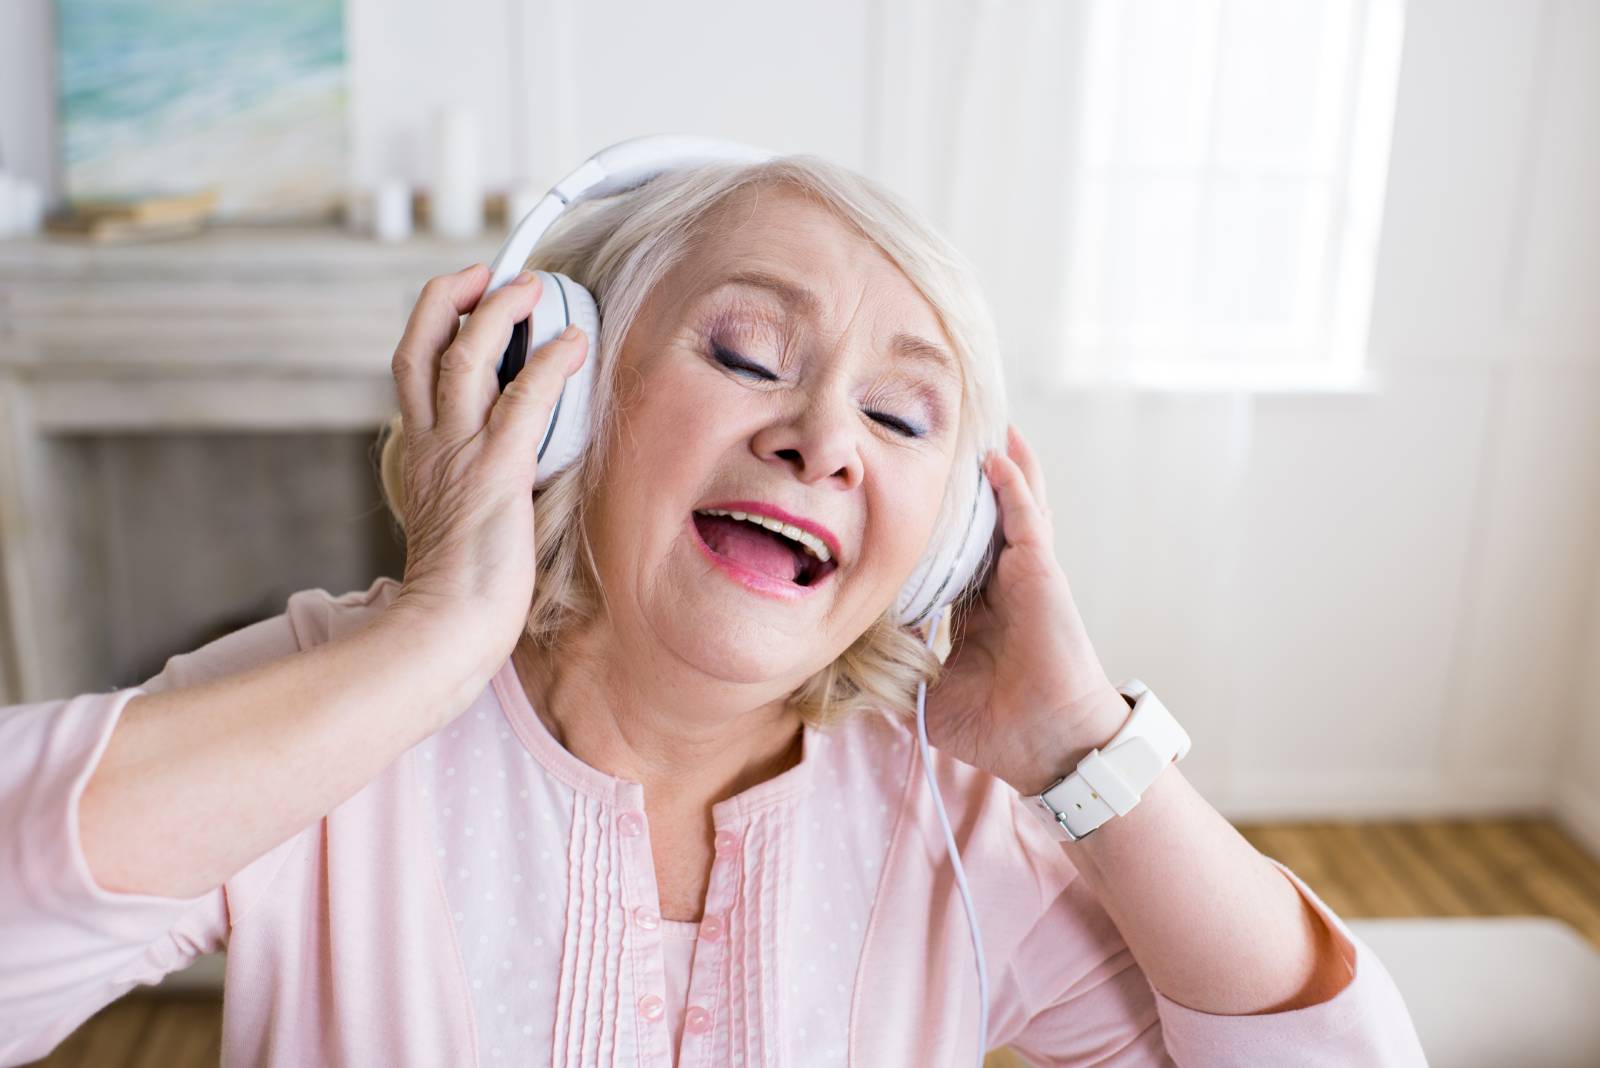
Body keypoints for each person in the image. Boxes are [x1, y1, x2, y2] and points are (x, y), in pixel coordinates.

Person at [0, 154, 1426, 1065]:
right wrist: (438, 634)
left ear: (943, 549)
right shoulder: (340, 704)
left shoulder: (956, 819)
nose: (824, 436)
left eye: (898, 412)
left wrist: (1078, 749)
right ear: (563, 402)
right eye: (747, 353)